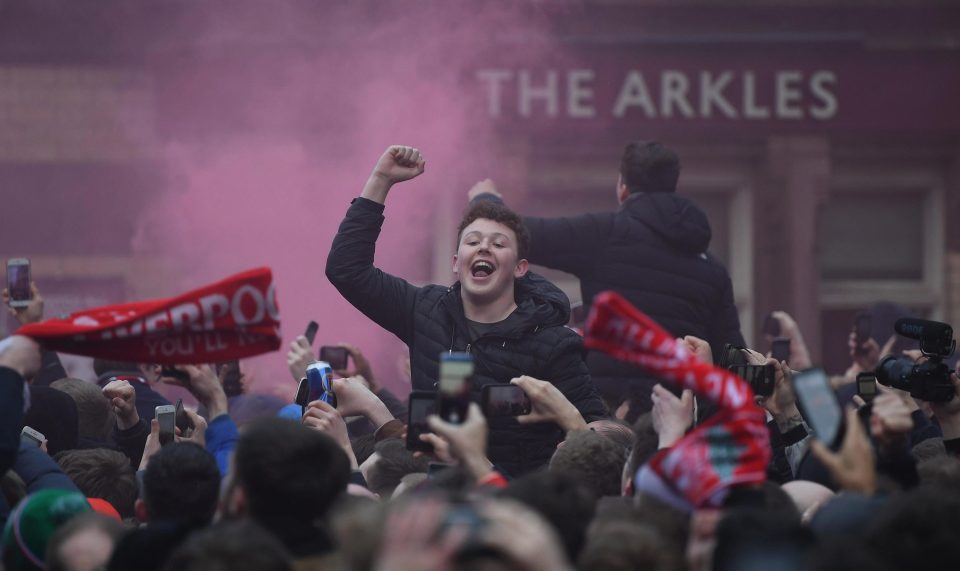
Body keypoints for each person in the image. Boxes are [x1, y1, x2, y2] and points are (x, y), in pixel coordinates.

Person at [326, 145, 606, 475]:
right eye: (473, 241)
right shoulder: (424, 309)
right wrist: (380, 180)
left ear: (519, 268)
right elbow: (346, 269)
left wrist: (568, 421)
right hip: (434, 492)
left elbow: (602, 435)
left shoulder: (553, 343)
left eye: (498, 244)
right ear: (457, 263)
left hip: (510, 504)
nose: (484, 246)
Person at [468, 141, 744, 416]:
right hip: (678, 415)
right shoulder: (712, 268)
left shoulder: (605, 235)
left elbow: (523, 235)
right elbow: (733, 357)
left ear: (622, 188)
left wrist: (486, 201)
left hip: (610, 415)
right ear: (673, 184)